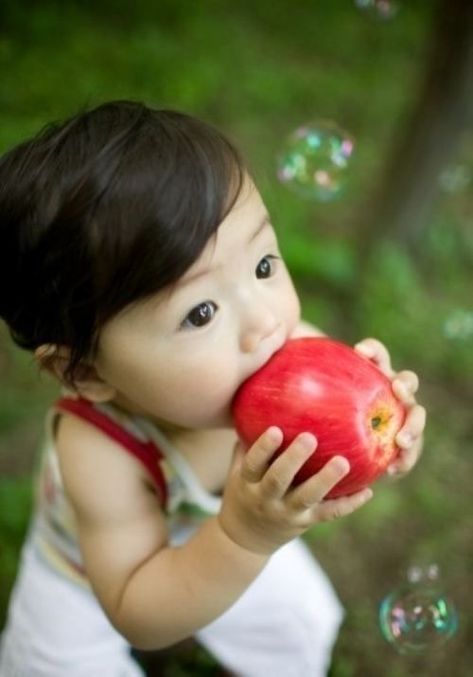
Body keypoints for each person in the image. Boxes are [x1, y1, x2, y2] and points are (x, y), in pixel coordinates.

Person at [0, 100, 426, 677]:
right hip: (93, 577)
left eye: (264, 266)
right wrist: (245, 537)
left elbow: (352, 430)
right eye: (200, 312)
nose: (265, 324)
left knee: (302, 625)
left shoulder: (287, 351)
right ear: (88, 374)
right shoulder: (96, 451)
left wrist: (387, 432)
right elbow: (138, 610)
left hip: (224, 540)